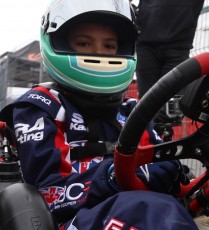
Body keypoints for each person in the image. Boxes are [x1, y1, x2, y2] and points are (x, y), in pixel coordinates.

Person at [0, 0, 197, 229]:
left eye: (109, 46)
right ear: (58, 42)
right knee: (150, 210)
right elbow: (48, 195)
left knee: (162, 209)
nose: (99, 55)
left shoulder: (132, 110)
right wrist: (113, 176)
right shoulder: (40, 106)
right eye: (84, 43)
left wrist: (175, 174)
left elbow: (157, 167)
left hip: (134, 210)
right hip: (68, 220)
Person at [134, 0, 205, 135]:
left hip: (178, 48)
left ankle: (157, 140)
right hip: (146, 46)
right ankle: (148, 141)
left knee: (170, 110)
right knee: (146, 104)